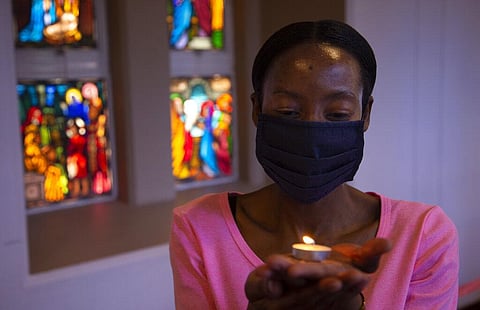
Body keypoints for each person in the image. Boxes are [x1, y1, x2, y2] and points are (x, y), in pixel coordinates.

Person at [169, 20, 459, 309]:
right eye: (288, 111)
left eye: (337, 113)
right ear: (257, 109)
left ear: (365, 114)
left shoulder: (422, 234)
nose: (312, 131)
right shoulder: (199, 227)